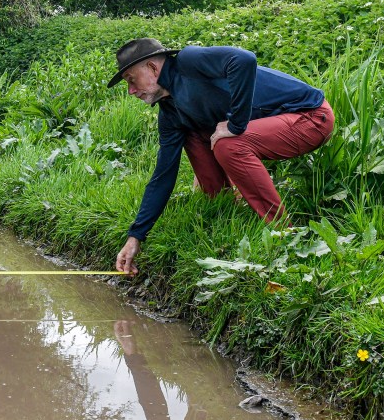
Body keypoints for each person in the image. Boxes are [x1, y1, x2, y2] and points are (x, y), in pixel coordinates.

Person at [109, 38, 333, 276]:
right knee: (193, 135)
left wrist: (236, 124)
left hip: (309, 117)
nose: (131, 91)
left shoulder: (189, 61)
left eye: (132, 80)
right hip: (269, 129)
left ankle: (284, 233)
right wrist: (136, 236)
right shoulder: (170, 113)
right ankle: (225, 206)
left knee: (229, 144)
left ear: (153, 68)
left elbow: (244, 59)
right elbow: (163, 176)